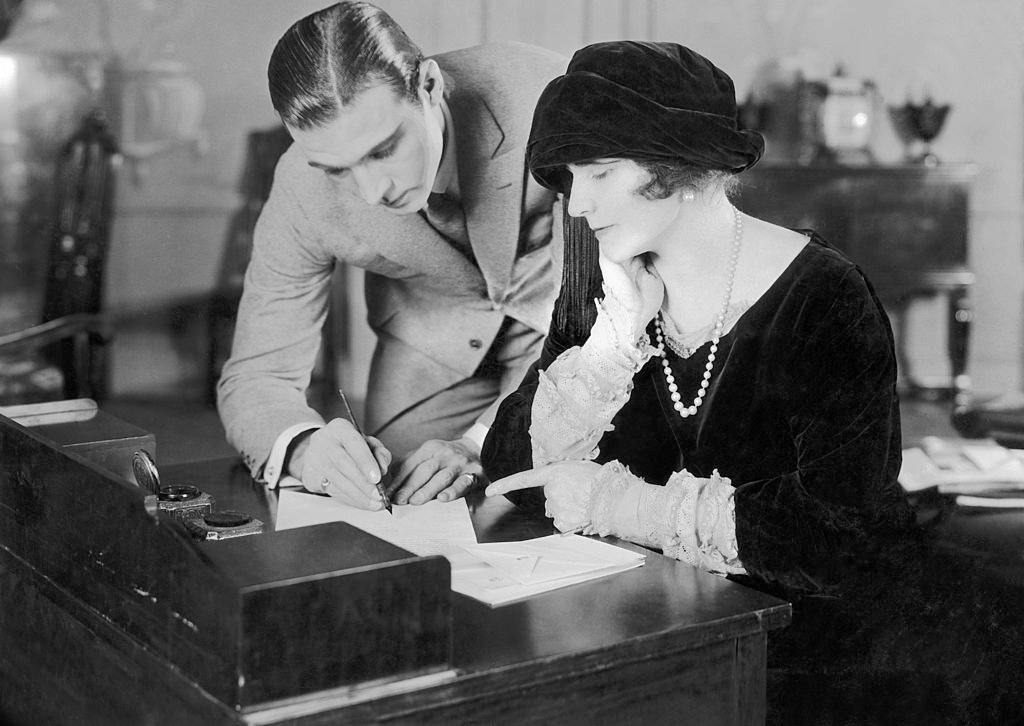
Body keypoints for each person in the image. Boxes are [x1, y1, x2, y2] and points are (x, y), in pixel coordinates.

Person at [482, 41, 1024, 724]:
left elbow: (838, 538)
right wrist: (607, 351)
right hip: (648, 628)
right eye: (568, 178)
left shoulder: (826, 298)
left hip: (822, 647)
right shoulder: (600, 292)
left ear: (681, 166)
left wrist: (621, 508)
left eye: (599, 172)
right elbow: (507, 470)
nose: (577, 204)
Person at [217, 2, 566, 510]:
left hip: (565, 340)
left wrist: (481, 443)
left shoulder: (552, 97)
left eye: (383, 149)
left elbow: (612, 315)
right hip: (427, 356)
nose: (371, 191)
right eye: (337, 169)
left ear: (428, 86)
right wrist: (302, 448)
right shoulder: (301, 184)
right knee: (395, 501)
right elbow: (257, 374)